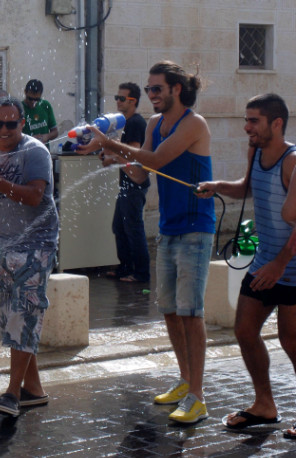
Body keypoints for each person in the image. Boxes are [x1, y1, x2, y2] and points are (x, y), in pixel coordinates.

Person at [76, 61, 214, 424]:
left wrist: (111, 142)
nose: (150, 95)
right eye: (149, 89)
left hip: (195, 228)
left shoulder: (194, 124)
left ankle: (198, 396)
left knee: (191, 312)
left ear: (176, 90)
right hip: (169, 228)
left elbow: (156, 159)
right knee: (169, 309)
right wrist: (112, 157)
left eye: (156, 89)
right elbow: (142, 172)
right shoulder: (154, 124)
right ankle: (185, 382)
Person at [197, 94, 296, 432]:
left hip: (291, 267)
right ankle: (264, 405)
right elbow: (246, 188)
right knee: (244, 330)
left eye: (254, 120)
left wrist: (281, 264)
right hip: (265, 262)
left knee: (291, 340)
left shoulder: (292, 161)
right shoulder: (255, 153)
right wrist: (216, 186)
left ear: (276, 123)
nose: (246, 127)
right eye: (247, 119)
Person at [0, 96, 58, 417]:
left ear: (22, 123)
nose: (4, 130)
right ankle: (33, 390)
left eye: (11, 123)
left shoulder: (35, 152)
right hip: (6, 243)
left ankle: (11, 393)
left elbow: (35, 196)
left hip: (37, 242)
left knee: (24, 311)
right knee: (11, 316)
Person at [101, 82, 150, 282]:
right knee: (119, 226)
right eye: (117, 98)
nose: (118, 102)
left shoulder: (135, 123)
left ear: (133, 101)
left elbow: (133, 155)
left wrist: (111, 157)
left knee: (132, 227)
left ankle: (140, 273)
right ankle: (125, 268)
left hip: (134, 183)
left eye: (122, 99)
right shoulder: (124, 123)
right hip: (126, 182)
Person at [21, 79, 58, 147]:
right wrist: (30, 139)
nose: (33, 102)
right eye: (30, 98)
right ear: (25, 92)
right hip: (25, 153)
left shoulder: (45, 105)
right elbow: (13, 136)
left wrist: (47, 136)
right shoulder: (19, 108)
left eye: (36, 99)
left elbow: (55, 132)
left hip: (43, 151)